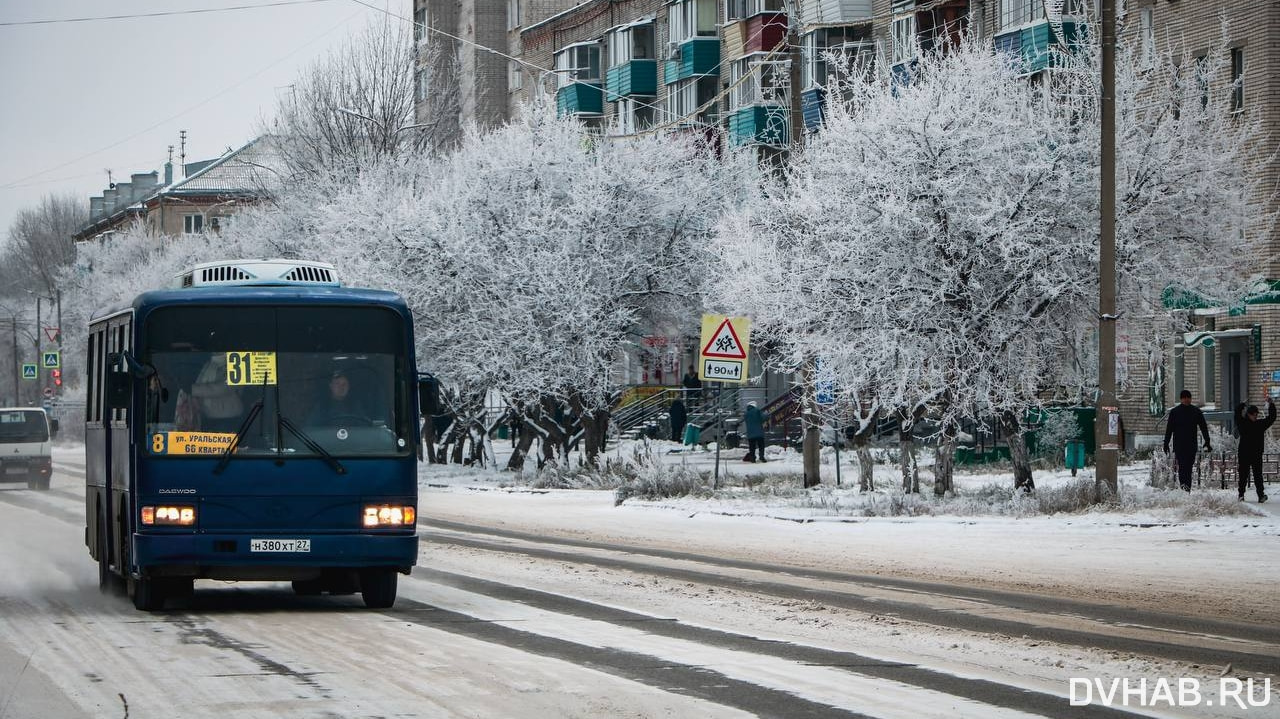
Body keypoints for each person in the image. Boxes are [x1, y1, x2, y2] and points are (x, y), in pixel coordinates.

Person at [1163, 389, 1211, 492]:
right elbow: (1169, 429)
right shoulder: (1175, 412)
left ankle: (1186, 490)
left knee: (1188, 468)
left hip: (1191, 445)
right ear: (1181, 399)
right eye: (1184, 398)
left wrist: (1207, 440)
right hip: (1180, 445)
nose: (1186, 400)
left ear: (1190, 399)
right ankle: (1184, 488)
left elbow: (1203, 427)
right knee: (1182, 467)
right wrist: (1166, 443)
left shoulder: (1196, 411)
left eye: (1188, 398)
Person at [1235, 398, 1274, 502]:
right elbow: (1237, 415)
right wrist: (1242, 405)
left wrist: (1271, 405)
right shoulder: (1245, 423)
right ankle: (1241, 495)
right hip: (1246, 453)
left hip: (1253, 453)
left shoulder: (1257, 424)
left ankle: (1260, 495)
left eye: (1256, 414)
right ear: (1249, 414)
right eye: (1254, 415)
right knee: (1244, 475)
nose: (1256, 416)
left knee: (1257, 476)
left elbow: (1271, 418)